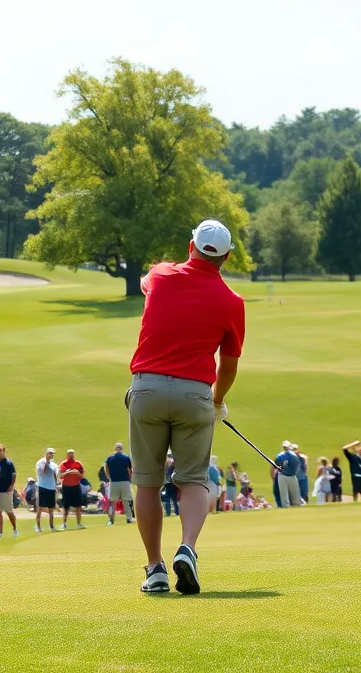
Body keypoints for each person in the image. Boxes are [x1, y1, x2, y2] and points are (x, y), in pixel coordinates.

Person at [129, 219, 245, 595]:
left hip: (146, 388)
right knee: (194, 479)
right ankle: (188, 548)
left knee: (147, 483)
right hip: (196, 394)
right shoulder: (232, 302)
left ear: (190, 245)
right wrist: (218, 401)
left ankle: (154, 569)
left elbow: (152, 278)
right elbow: (228, 365)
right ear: (226, 257)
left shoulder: (160, 276)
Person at [104, 442, 135, 524]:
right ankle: (129, 518)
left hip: (114, 482)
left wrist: (109, 477)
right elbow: (129, 470)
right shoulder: (126, 457)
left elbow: (106, 468)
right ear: (121, 448)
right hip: (125, 481)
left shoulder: (110, 458)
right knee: (126, 501)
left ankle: (111, 520)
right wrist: (130, 479)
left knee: (112, 502)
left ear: (115, 448)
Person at [57, 449, 86, 530]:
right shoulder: (63, 464)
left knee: (78, 506)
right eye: (69, 454)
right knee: (66, 507)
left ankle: (79, 523)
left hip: (76, 487)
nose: (71, 455)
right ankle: (64, 523)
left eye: (72, 454)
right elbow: (60, 476)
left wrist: (77, 473)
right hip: (66, 487)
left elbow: (83, 475)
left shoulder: (78, 464)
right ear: (67, 455)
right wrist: (67, 472)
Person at [34, 448, 59, 533]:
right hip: (43, 487)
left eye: (52, 454)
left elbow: (54, 476)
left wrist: (55, 486)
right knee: (40, 508)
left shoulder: (54, 464)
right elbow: (42, 472)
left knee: (51, 509)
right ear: (47, 454)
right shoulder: (41, 462)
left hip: (51, 488)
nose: (52, 455)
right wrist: (46, 462)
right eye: (50, 453)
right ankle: (38, 527)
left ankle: (52, 526)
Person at [274, 442, 300, 509]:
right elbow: (276, 464)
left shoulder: (294, 456)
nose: (285, 448)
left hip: (292, 476)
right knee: (284, 497)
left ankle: (296, 507)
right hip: (283, 476)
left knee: (295, 496)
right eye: (284, 447)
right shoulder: (280, 456)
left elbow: (295, 465)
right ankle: (286, 507)